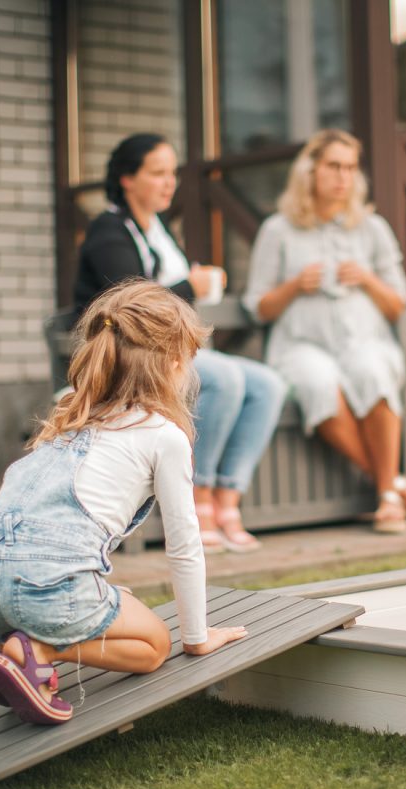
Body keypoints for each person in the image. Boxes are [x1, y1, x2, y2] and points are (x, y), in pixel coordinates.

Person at [0, 282, 248, 725]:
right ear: (174, 363)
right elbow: (184, 545)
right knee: (154, 646)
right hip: (44, 587)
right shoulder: (162, 434)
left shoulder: (72, 412)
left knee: (83, 589)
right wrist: (196, 637)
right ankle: (36, 652)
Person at [74, 133, 287, 554]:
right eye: (157, 173)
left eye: (172, 173)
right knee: (223, 377)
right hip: (130, 358)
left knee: (268, 385)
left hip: (169, 353)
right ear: (127, 178)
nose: (168, 182)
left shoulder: (157, 230)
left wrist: (194, 284)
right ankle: (197, 495)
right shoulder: (108, 230)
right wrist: (192, 284)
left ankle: (228, 499)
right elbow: (137, 304)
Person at [242, 129, 406, 533]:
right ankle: (395, 487)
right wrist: (294, 285)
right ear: (310, 170)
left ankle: (388, 495)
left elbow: (398, 302)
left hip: (362, 340)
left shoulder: (372, 228)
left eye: (350, 167)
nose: (343, 177)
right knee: (316, 382)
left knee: (374, 371)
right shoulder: (278, 229)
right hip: (301, 345)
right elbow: (258, 306)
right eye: (334, 166)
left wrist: (367, 279)